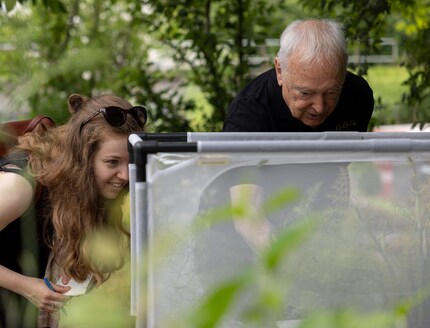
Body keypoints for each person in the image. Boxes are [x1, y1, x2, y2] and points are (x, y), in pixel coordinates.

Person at [0, 93, 147, 328]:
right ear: (82, 158)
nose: (125, 175)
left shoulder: (82, 186)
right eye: (112, 162)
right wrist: (26, 286)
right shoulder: (20, 186)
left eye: (131, 163)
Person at [223, 18, 374, 132]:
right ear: (280, 71)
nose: (319, 108)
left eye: (332, 92)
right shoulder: (247, 117)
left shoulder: (359, 96)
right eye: (305, 93)